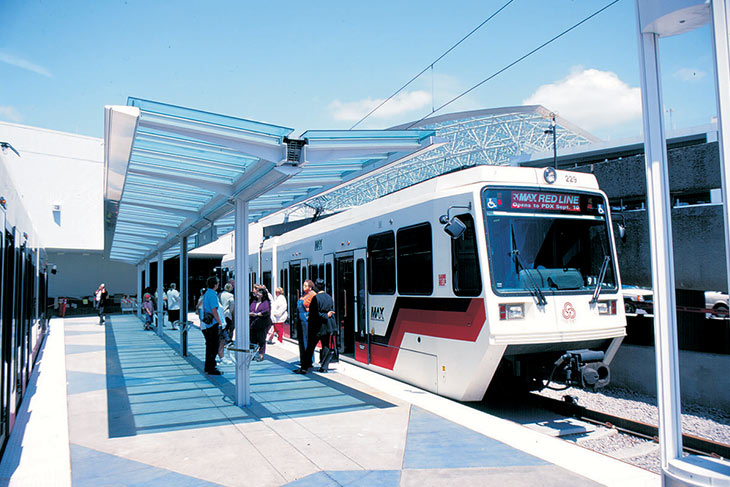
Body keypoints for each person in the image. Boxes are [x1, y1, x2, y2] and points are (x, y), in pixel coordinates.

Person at [298, 279, 337, 374]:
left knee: (310, 347)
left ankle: (304, 367)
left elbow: (314, 314)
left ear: (316, 287)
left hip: (317, 327)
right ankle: (324, 367)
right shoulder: (329, 297)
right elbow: (330, 311)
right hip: (327, 326)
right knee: (326, 346)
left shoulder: (316, 298)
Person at [201, 277, 224, 375]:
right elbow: (214, 310)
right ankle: (211, 367)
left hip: (207, 324)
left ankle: (208, 365)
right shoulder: (213, 295)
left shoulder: (206, 293)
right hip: (213, 323)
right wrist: (220, 322)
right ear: (215, 284)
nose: (218, 285)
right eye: (218, 283)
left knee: (209, 345)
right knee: (213, 346)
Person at [293, 280, 316, 374]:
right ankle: (304, 360)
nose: (304, 287)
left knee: (307, 341)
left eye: (306, 285)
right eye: (303, 285)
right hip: (300, 320)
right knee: (301, 341)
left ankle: (308, 361)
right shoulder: (303, 295)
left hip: (306, 321)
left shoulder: (312, 295)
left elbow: (313, 307)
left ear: (310, 287)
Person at [249, 285, 271, 362]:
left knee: (261, 340)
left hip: (262, 324)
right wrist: (250, 314)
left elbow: (267, 312)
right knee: (252, 340)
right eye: (257, 292)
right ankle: (252, 354)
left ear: (263, 294)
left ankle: (261, 355)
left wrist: (257, 314)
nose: (258, 294)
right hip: (253, 324)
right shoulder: (253, 301)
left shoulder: (266, 302)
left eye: (260, 293)